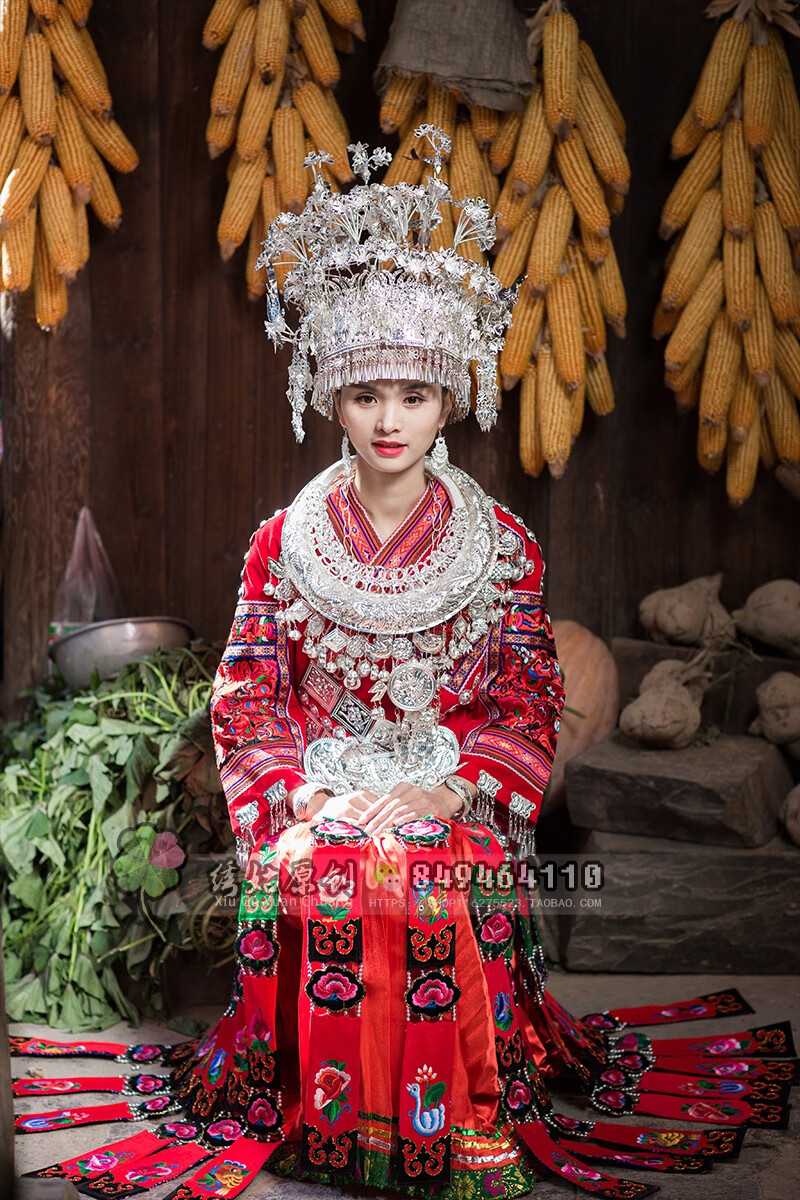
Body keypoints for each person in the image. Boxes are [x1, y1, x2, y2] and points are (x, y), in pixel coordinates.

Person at [13, 130, 796, 1200]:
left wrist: (447, 784)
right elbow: (246, 697)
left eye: (414, 396)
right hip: (319, 787)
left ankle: (446, 1129)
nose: (389, 420)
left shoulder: (503, 544)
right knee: (329, 869)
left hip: (450, 787)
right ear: (330, 395)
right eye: (367, 393)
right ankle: (329, 1124)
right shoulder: (278, 544)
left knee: (426, 873)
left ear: (448, 399)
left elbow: (526, 696)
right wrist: (305, 798)